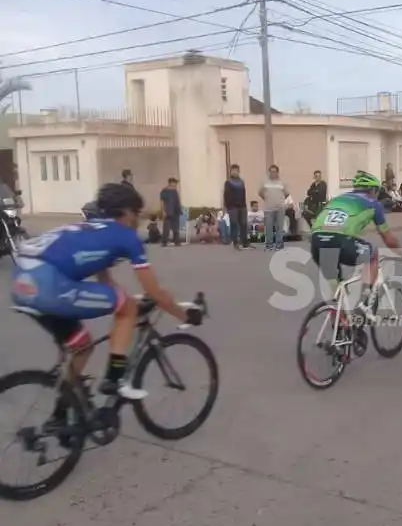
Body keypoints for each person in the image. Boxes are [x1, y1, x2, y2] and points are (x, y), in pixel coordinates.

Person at [11, 183, 203, 411]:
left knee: (82, 346)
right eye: (137, 214)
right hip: (48, 285)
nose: (138, 221)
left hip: (22, 283)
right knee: (128, 308)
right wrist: (185, 315)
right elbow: (155, 292)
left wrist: (130, 299)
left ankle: (63, 414)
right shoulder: (126, 237)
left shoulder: (92, 228)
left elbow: (105, 282)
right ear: (127, 212)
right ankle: (115, 378)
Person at [310, 170, 402, 310]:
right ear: (373, 190)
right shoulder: (374, 204)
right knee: (373, 255)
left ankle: (339, 322)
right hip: (339, 239)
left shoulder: (338, 198)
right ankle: (365, 304)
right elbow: (388, 239)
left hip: (316, 240)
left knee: (337, 287)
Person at [259, 164, 289, 251]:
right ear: (269, 173)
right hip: (268, 209)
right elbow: (260, 193)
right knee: (269, 228)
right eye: (271, 172)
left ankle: (279, 245)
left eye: (274, 172)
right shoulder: (265, 182)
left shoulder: (282, 182)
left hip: (280, 208)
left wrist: (280, 201)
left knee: (279, 227)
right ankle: (269, 245)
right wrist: (268, 199)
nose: (273, 173)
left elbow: (286, 194)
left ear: (277, 173)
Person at [223, 164, 249, 250]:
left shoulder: (241, 182)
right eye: (233, 170)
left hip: (242, 206)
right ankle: (235, 242)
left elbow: (244, 194)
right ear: (231, 172)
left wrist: (245, 205)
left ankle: (244, 242)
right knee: (234, 224)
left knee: (244, 224)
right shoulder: (228, 182)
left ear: (239, 171)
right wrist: (227, 207)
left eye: (236, 170)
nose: (235, 172)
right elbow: (226, 195)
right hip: (232, 207)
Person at [159, 177, 182, 247]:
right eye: (175, 183)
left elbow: (177, 201)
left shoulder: (175, 191)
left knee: (176, 227)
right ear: (171, 183)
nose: (176, 185)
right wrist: (163, 211)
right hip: (168, 211)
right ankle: (164, 242)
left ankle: (176, 241)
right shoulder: (164, 191)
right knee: (166, 227)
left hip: (175, 211)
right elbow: (162, 202)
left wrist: (179, 209)